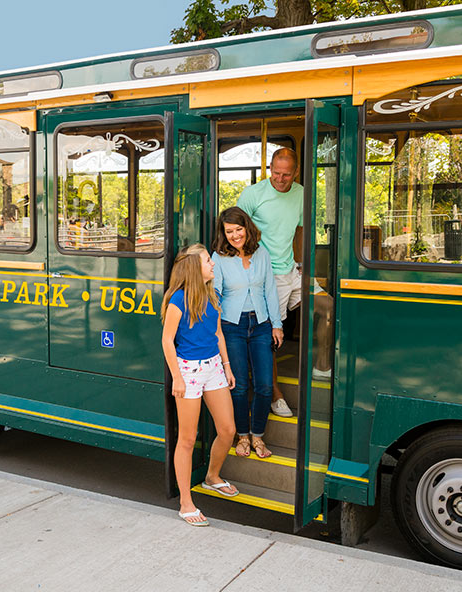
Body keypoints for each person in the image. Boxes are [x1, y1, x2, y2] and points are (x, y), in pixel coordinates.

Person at [161, 244, 239, 526]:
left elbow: (218, 334)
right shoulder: (178, 301)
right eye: (208, 261)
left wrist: (227, 367)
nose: (213, 264)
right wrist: (178, 378)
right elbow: (167, 341)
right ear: (195, 267)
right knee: (187, 438)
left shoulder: (211, 296)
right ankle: (185, 502)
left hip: (214, 367)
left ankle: (212, 477)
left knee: (228, 429)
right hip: (189, 371)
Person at [211, 207, 282, 459]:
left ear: (247, 228)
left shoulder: (262, 253)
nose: (234, 235)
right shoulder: (218, 257)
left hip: (261, 324)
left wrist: (276, 324)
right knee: (239, 386)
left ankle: (258, 437)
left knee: (263, 385)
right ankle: (242, 435)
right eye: (229, 231)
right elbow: (216, 290)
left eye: (238, 229)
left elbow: (270, 289)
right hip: (232, 326)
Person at [236, 147, 302, 417]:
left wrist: (302, 264)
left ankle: (323, 370)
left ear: (295, 173)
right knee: (270, 335)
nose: (280, 178)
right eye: (276, 172)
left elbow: (299, 229)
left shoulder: (300, 194)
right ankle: (275, 394)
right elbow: (235, 232)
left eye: (286, 174)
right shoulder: (253, 194)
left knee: (326, 308)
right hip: (266, 275)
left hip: (292, 270)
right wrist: (249, 270)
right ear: (269, 168)